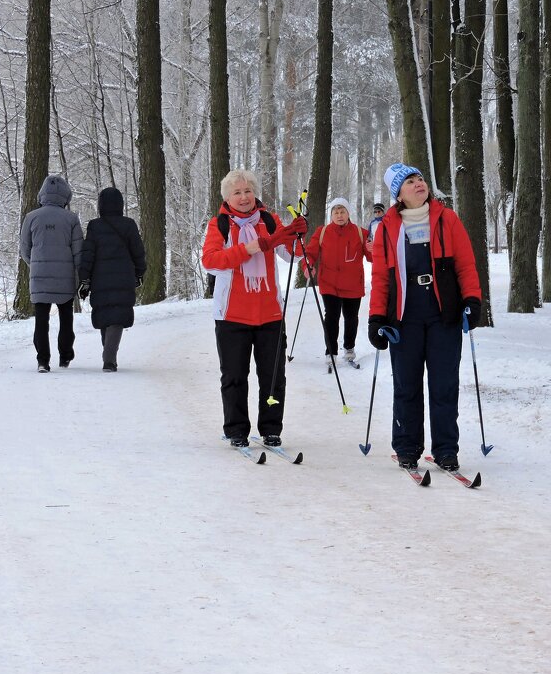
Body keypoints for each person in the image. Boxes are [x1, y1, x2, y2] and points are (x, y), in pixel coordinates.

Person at [367, 163, 482, 472]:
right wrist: (377, 318)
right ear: (398, 194)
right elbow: (381, 277)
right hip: (404, 316)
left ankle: (446, 449)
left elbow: (466, 265)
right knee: (407, 385)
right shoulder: (387, 228)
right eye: (410, 181)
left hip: (443, 312)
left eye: (419, 178)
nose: (418, 184)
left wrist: (472, 300)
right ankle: (406, 447)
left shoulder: (447, 219)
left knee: (444, 384)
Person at [202, 169, 308, 448]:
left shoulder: (269, 220)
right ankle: (236, 430)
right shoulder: (220, 225)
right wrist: (248, 249)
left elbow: (291, 254)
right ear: (227, 197)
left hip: (270, 313)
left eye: (248, 190)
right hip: (231, 315)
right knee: (234, 376)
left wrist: (296, 236)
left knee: (273, 377)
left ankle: (271, 429)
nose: (244, 196)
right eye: (237, 192)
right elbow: (211, 261)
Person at [78, 187, 147, 373]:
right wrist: (140, 272)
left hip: (99, 278)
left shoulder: (94, 226)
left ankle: (108, 356)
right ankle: (109, 358)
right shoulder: (129, 225)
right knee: (117, 317)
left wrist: (84, 278)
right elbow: (138, 252)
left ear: (101, 205)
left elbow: (88, 255)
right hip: (124, 277)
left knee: (105, 315)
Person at [19, 174, 83, 373]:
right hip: (65, 276)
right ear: (66, 195)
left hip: (39, 276)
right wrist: (76, 272)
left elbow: (24, 249)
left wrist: (36, 264)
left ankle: (42, 361)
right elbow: (78, 251)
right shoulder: (72, 219)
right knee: (66, 317)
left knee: (41, 319)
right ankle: (65, 356)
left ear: (42, 194)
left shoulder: (31, 217)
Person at [302, 197, 373, 368]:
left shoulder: (360, 232)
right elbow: (310, 253)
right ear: (331, 214)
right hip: (329, 283)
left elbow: (371, 257)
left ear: (348, 213)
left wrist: (374, 249)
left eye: (342, 212)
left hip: (352, 285)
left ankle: (349, 348)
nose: (339, 215)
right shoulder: (322, 232)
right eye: (336, 212)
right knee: (331, 317)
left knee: (351, 318)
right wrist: (308, 266)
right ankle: (331, 351)